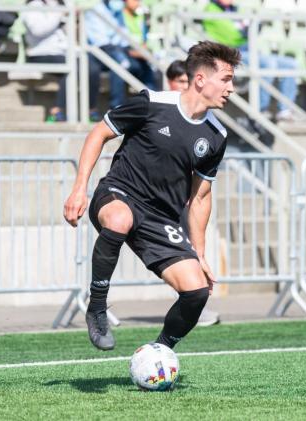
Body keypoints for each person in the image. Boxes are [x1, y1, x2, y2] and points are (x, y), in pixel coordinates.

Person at [63, 41, 239, 350]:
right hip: (119, 194)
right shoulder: (152, 103)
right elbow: (99, 134)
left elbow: (200, 197)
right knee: (119, 219)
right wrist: (79, 189)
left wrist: (199, 253)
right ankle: (97, 306)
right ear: (200, 79)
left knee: (197, 291)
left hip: (161, 218)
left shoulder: (215, 136)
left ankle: (158, 352)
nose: (232, 88)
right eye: (225, 79)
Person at [164, 59, 220, 327]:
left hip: (183, 201)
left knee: (194, 253)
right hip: (154, 203)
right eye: (179, 81)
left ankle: (197, 303)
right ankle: (98, 303)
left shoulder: (212, 129)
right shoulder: (160, 107)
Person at [202, 0, 299, 122]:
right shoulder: (211, 9)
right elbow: (233, 36)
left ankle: (285, 110)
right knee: (268, 64)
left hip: (246, 50)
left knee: (290, 64)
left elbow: (247, 28)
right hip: (227, 53)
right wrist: (250, 28)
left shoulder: (234, 9)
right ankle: (261, 109)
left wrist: (250, 27)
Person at [119, 0, 157, 91]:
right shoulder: (118, 16)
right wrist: (131, 52)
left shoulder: (140, 17)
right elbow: (118, 41)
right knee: (135, 67)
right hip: (124, 51)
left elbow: (144, 38)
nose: (137, 3)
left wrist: (144, 49)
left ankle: (151, 98)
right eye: (135, 0)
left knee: (148, 70)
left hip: (139, 52)